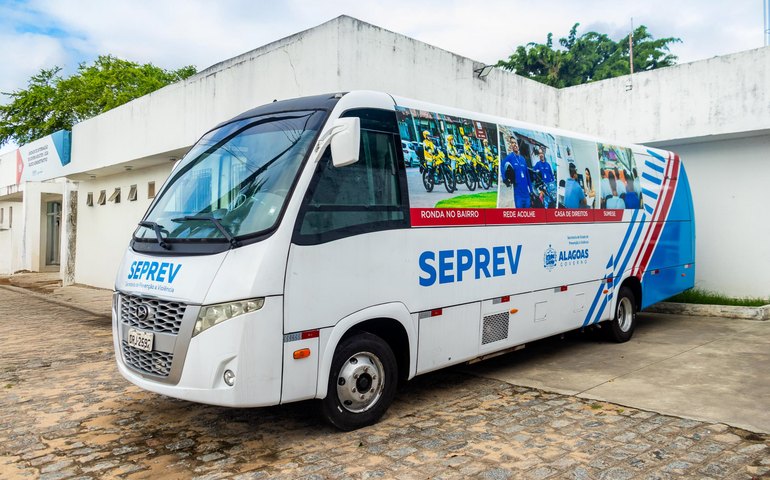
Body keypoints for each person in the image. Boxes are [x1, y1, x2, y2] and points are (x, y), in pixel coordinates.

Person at [501, 136, 533, 208]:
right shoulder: (509, 157)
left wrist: (531, 190)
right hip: (518, 194)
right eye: (512, 143)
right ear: (510, 145)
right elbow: (502, 166)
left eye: (515, 143)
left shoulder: (523, 159)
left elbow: (527, 175)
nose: (515, 144)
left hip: (526, 194)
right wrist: (505, 179)